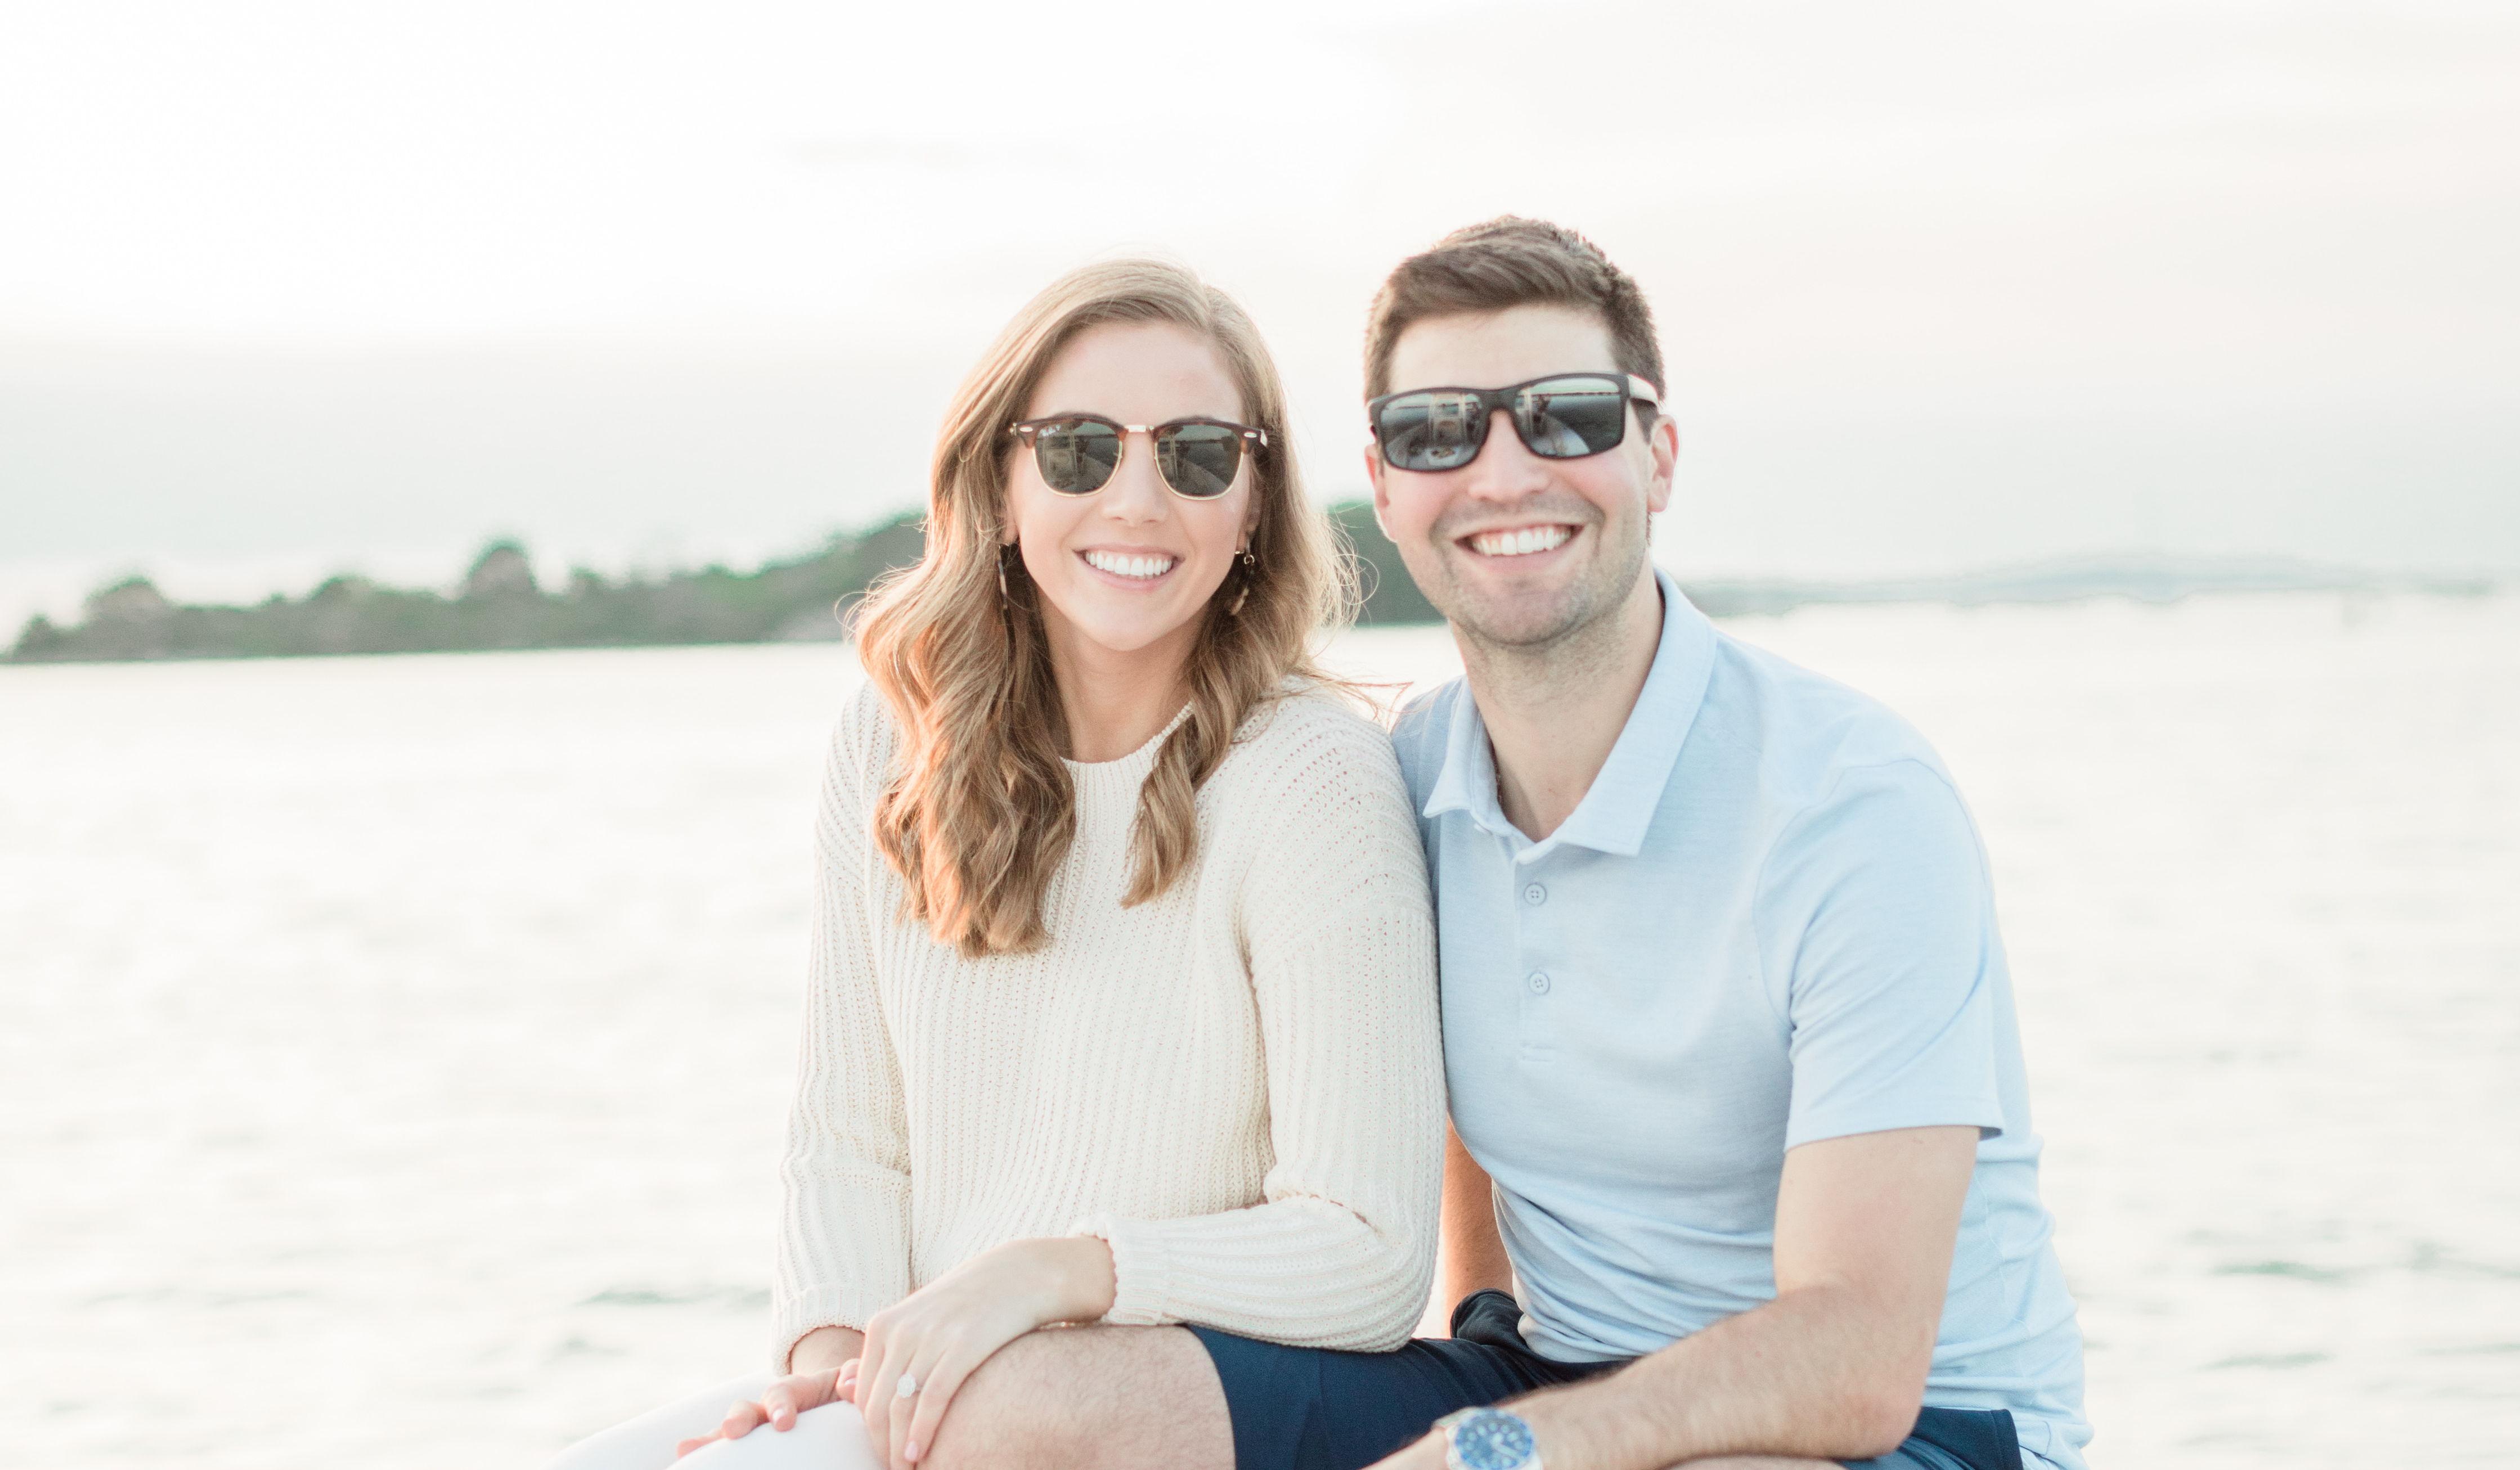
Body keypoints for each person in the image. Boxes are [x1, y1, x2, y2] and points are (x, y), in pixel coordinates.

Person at [765, 219, 2094, 1470]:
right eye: (1439, 430)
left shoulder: (1849, 806)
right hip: (1544, 1369)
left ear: (1659, 456)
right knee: (1032, 1404)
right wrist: (1480, 1336)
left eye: (1568, 416)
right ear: (1385, 488)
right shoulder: (1415, 770)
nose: (1503, 474)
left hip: (1905, 1425)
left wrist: (1488, 1448)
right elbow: (1447, 1099)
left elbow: (1857, 1356)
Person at [540, 258, 1444, 1470]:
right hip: (938, 1406)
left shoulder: (1314, 777)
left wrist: (1053, 1274)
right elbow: (850, 1141)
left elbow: (1370, 1251)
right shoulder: (891, 743)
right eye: (1077, 449)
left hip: (1158, 1412)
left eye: (1195, 454)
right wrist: (829, 1374)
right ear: (1000, 487)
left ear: (1252, 505)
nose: (1136, 499)